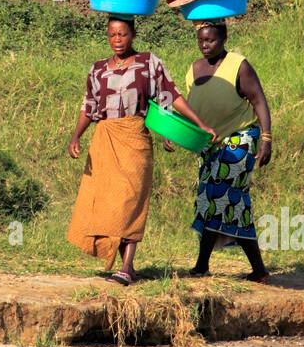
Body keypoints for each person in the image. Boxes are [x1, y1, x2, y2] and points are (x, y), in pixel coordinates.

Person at [67, 15, 218, 286]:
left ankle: (127, 266)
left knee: (131, 201)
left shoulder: (149, 63)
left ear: (133, 34)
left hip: (135, 139)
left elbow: (171, 96)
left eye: (122, 35)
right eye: (112, 35)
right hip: (105, 141)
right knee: (109, 202)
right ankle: (125, 265)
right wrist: (76, 136)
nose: (117, 40)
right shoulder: (98, 69)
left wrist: (200, 124)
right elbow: (88, 106)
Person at [183, 21, 273, 283]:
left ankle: (202, 265)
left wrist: (266, 138)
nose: (204, 45)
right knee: (228, 202)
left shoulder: (238, 64)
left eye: (210, 40)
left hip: (240, 140)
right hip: (211, 145)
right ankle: (258, 270)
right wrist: (175, 133)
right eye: (201, 40)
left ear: (223, 39)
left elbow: (258, 99)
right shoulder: (195, 69)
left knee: (217, 195)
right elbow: (192, 107)